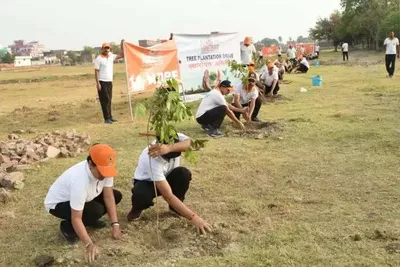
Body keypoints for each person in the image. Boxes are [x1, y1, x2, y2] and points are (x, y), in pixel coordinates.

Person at [44, 144, 122, 264]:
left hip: (84, 196)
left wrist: (115, 224)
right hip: (58, 204)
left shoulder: (106, 169)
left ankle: (89, 219)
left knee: (116, 195)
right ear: (91, 164)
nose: (105, 175)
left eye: (107, 171)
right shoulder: (79, 180)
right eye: (102, 171)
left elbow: (108, 196)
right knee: (96, 210)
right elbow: (76, 217)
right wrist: (89, 244)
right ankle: (67, 227)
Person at [127, 133, 213, 235]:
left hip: (167, 176)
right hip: (147, 182)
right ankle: (136, 209)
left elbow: (191, 143)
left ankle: (174, 209)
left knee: (183, 174)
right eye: (167, 158)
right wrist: (194, 218)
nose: (170, 160)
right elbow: (168, 196)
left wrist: (169, 148)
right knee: (141, 194)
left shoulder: (171, 134)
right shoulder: (150, 159)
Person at [94, 40, 125, 124]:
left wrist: (121, 45)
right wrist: (98, 83)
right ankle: (106, 118)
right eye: (105, 48)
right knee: (105, 99)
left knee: (109, 99)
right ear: (102, 49)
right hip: (102, 81)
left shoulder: (111, 56)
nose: (107, 49)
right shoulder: (99, 58)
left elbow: (122, 55)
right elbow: (96, 72)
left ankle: (110, 117)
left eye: (108, 48)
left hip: (109, 81)